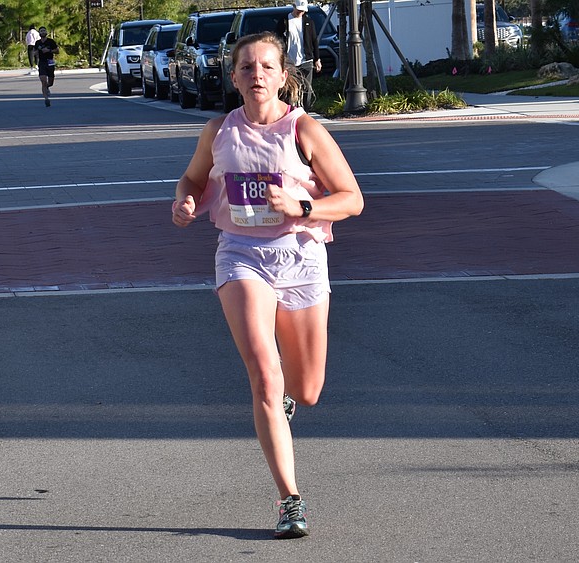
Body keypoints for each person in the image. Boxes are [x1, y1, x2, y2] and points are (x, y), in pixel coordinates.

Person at [171, 32, 363, 539]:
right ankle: (289, 500)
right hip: (240, 256)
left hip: (300, 257)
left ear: (283, 76)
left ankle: (286, 398)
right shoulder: (218, 132)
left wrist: (301, 207)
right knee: (263, 373)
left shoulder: (304, 130)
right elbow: (192, 180)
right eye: (246, 67)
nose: (256, 74)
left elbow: (351, 199)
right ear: (233, 77)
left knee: (307, 389)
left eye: (266, 66)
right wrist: (185, 202)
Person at [276, 0, 321, 109]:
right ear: (294, 6)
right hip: (289, 61)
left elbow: (314, 41)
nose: (301, 12)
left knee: (306, 88)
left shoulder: (309, 22)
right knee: (289, 88)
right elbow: (277, 40)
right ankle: (289, 109)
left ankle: (305, 110)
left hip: (306, 60)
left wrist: (317, 59)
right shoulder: (284, 21)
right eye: (299, 10)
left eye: (303, 10)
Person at [34, 27, 59, 107]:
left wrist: (49, 51)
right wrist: (36, 53)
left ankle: (47, 87)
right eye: (41, 31)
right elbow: (34, 52)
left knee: (50, 82)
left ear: (46, 32)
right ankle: (46, 99)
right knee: (43, 81)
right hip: (42, 62)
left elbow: (57, 51)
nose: (43, 32)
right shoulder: (37, 43)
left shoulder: (51, 41)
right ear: (39, 33)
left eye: (44, 30)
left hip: (50, 62)